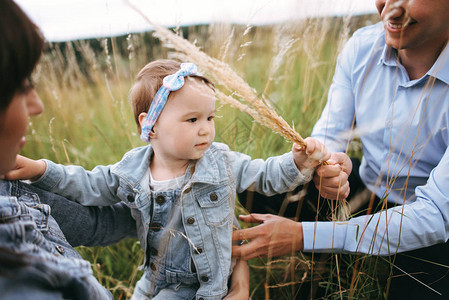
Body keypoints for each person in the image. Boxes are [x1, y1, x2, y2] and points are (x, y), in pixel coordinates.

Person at [7, 58, 331, 299]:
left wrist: (297, 161)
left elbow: (267, 176)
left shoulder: (218, 160)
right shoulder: (133, 169)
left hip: (202, 283)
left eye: (209, 117)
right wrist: (41, 170)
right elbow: (90, 185)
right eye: (191, 119)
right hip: (152, 279)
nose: (205, 128)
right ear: (151, 125)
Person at [232, 0, 449, 298]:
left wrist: (301, 236)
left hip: (431, 226)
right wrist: (329, 164)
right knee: (258, 187)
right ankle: (328, 268)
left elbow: (437, 214)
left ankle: (337, 257)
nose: (390, 10)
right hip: (367, 189)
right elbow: (329, 134)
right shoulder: (363, 47)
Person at [0, 0, 139, 299]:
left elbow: (97, 223)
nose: (37, 106)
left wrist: (180, 198)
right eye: (22, 87)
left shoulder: (11, 187)